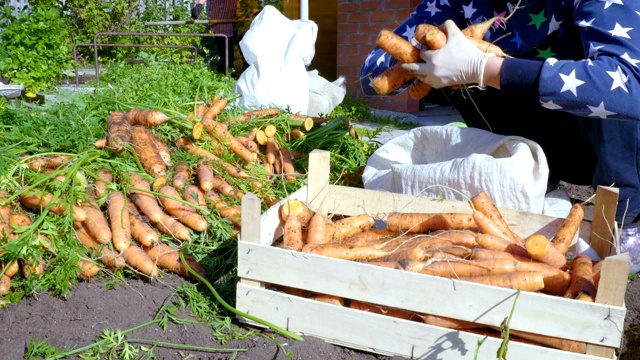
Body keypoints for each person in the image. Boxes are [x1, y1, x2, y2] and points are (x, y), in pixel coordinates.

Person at [360, 1, 640, 241]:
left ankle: (625, 220)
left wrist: (485, 67)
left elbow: (629, 83)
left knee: (602, 84)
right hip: (533, 145)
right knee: (444, 54)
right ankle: (528, 183)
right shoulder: (456, 3)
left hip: (603, 151)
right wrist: (430, 55)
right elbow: (369, 75)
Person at [191, 0, 243, 75]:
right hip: (220, 23)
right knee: (227, 56)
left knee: (243, 52)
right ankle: (222, 76)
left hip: (238, 22)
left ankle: (237, 73)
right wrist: (199, 5)